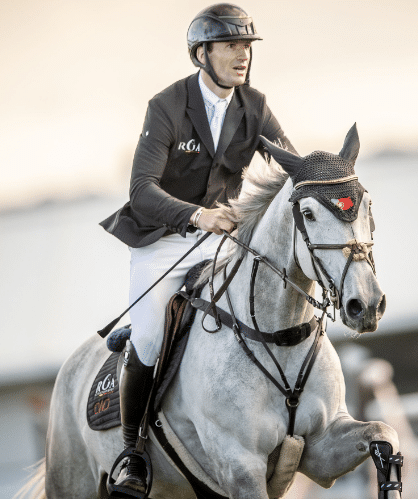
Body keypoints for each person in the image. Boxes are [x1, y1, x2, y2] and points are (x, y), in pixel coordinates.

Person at [98, 3, 294, 493]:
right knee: (148, 337)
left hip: (218, 242)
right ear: (201, 54)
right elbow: (141, 189)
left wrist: (326, 171)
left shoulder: (255, 106)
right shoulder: (166, 106)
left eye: (246, 46)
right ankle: (133, 452)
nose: (242, 55)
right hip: (161, 241)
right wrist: (195, 215)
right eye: (231, 45)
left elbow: (290, 162)